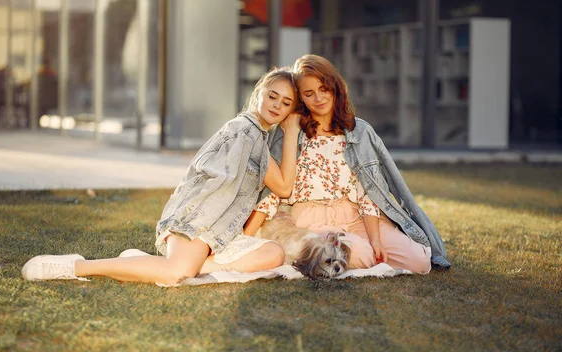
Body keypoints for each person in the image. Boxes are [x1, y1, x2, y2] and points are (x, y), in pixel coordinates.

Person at [22, 66, 301, 285]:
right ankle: (75, 266)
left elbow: (284, 187)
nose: (276, 105)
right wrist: (196, 233)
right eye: (272, 96)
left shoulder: (259, 141)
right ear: (259, 93)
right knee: (175, 274)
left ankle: (162, 264)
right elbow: (216, 188)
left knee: (273, 253)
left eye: (286, 103)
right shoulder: (245, 131)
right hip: (199, 220)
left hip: (218, 231)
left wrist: (291, 131)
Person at [244, 54, 451, 273]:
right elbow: (272, 191)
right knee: (358, 252)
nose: (318, 98)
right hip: (310, 220)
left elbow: (369, 193)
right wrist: (246, 239)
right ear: (300, 99)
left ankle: (323, 259)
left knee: (418, 261)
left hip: (356, 217)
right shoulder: (289, 132)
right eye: (309, 93)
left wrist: (376, 240)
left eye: (324, 89)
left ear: (335, 88)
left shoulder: (359, 131)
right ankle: (325, 256)